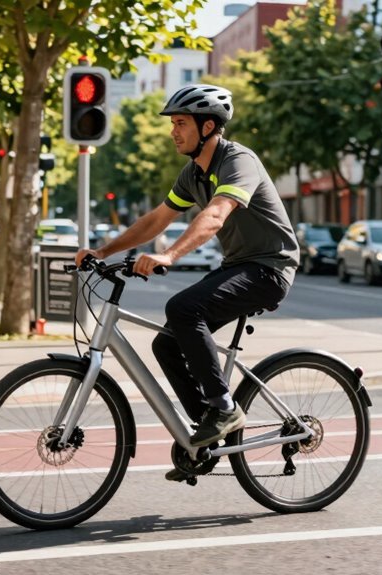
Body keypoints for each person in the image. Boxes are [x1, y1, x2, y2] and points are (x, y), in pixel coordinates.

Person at [74, 84, 300, 480]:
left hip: (270, 267)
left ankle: (225, 408)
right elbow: (156, 220)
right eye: (174, 124)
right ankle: (206, 436)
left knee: (183, 308)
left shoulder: (238, 160)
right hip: (238, 265)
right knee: (166, 343)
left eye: (181, 123)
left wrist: (168, 255)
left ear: (208, 125)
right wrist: (103, 251)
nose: (173, 131)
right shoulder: (192, 173)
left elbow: (216, 215)